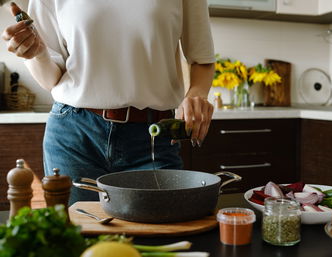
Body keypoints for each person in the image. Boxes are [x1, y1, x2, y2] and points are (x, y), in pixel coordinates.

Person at [2, 1, 215, 204]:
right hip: (74, 136)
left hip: (152, 137)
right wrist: (38, 55)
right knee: (77, 238)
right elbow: (51, 79)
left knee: (160, 236)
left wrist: (197, 94)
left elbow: (202, 59)